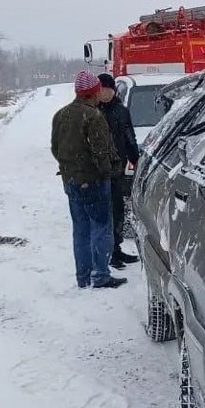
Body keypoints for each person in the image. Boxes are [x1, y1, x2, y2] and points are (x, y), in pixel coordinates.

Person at [51, 71, 126, 289]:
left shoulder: (61, 115)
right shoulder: (94, 117)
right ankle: (101, 275)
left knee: (81, 230)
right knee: (101, 228)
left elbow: (55, 148)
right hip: (94, 182)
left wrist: (71, 168)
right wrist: (109, 172)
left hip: (71, 181)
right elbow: (101, 152)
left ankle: (83, 277)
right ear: (94, 92)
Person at [97, 73, 141, 269]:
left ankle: (116, 249)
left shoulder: (121, 111)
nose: (104, 93)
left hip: (117, 170)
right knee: (103, 214)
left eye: (107, 89)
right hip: (99, 172)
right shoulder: (93, 111)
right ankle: (105, 253)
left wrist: (135, 159)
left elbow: (129, 136)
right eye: (100, 89)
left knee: (117, 211)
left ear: (113, 90)